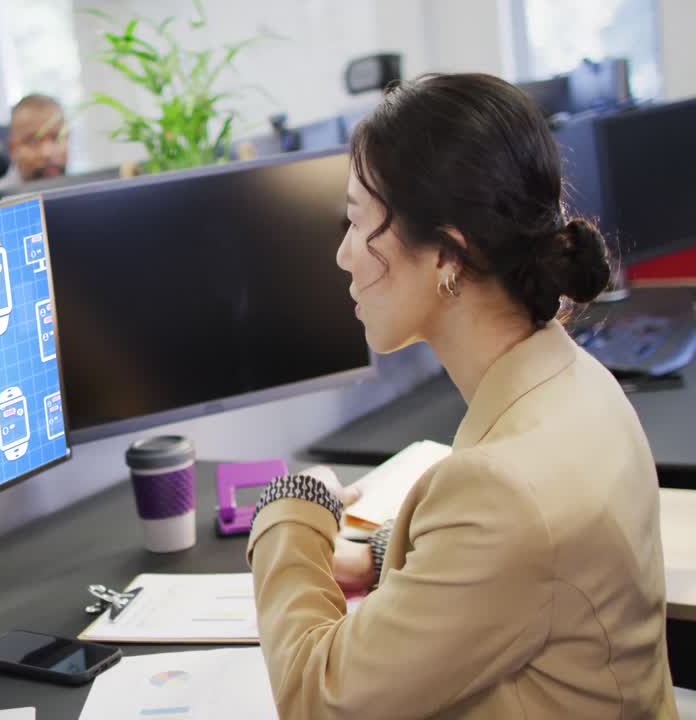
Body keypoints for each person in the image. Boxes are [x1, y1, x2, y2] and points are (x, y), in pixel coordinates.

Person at [247, 73, 677, 718]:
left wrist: (291, 513)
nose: (342, 256)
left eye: (357, 223)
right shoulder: (578, 380)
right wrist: (384, 556)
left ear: (449, 253)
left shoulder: (503, 491)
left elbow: (316, 697)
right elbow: (535, 569)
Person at [0, 93, 68, 208]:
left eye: (56, 138)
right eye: (33, 142)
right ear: (12, 149)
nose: (47, 153)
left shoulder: (81, 191)